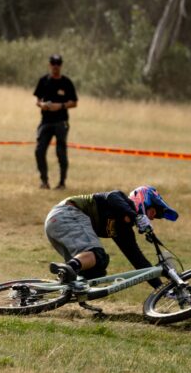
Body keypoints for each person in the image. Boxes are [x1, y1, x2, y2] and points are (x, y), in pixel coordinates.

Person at [44, 185, 178, 286]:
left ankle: (65, 289)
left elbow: (139, 262)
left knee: (96, 269)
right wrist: (135, 216)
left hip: (56, 224)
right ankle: (67, 270)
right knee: (96, 254)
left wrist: (160, 288)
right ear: (144, 199)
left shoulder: (123, 229)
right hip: (67, 214)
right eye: (153, 212)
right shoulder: (119, 198)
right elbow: (112, 198)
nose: (152, 218)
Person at [33, 53, 78, 190]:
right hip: (45, 121)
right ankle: (44, 181)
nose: (55, 66)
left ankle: (62, 183)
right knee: (39, 151)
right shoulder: (43, 81)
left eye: (58, 64)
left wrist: (61, 106)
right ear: (49, 65)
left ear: (61, 65)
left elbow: (74, 102)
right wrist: (43, 105)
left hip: (61, 122)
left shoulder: (66, 82)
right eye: (53, 63)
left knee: (61, 152)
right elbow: (37, 101)